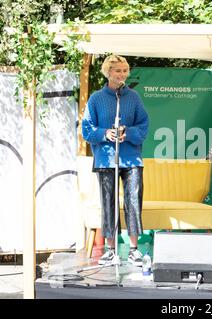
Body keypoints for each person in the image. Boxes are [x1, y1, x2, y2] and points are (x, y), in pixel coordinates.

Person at [82, 55, 149, 266]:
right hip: (106, 160)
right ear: (107, 72)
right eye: (118, 70)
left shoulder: (134, 97)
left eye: (125, 70)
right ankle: (110, 250)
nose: (122, 74)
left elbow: (144, 126)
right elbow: (87, 130)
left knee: (133, 202)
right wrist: (105, 134)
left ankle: (134, 250)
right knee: (108, 203)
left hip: (131, 160)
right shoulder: (95, 99)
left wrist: (126, 133)